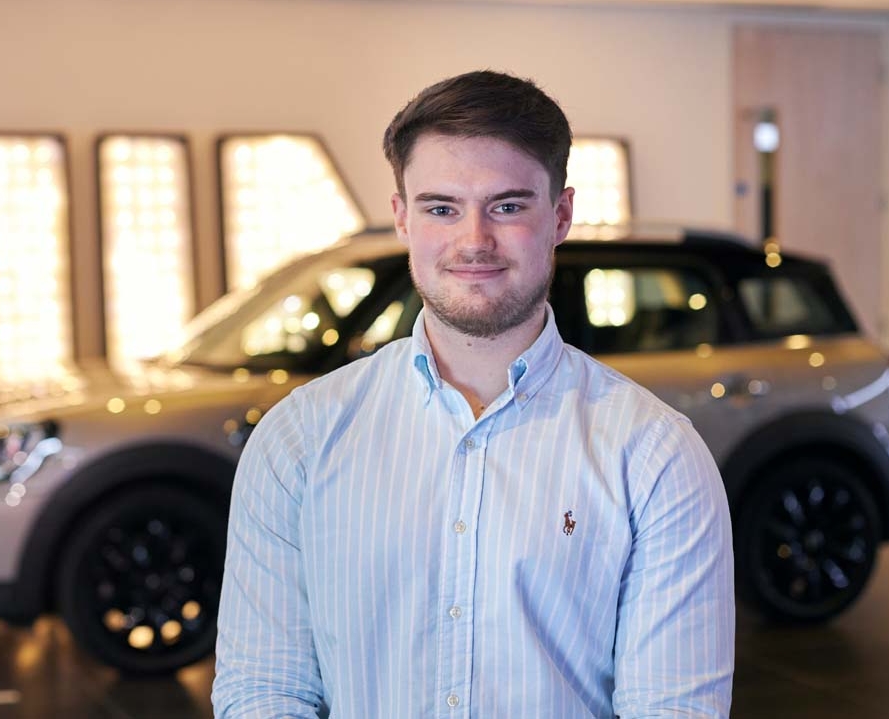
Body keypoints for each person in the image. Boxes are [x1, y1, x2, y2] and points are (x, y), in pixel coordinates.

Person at [212, 70, 734, 718]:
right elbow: (264, 690)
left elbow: (672, 709)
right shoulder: (299, 439)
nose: (473, 240)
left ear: (560, 215)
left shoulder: (653, 454)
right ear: (401, 217)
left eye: (507, 205)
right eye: (441, 207)